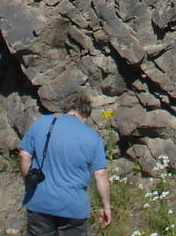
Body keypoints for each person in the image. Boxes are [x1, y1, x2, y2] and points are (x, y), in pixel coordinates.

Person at [18, 90, 113, 236]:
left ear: (66, 108)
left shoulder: (42, 123)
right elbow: (100, 174)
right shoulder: (92, 137)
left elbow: (24, 155)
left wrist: (28, 180)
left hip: (40, 202)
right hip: (73, 208)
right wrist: (106, 206)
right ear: (85, 114)